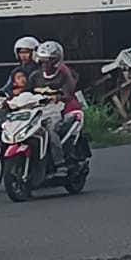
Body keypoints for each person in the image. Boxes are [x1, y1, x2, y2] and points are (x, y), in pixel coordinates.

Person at [28, 40, 82, 170]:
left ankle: (59, 162)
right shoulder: (35, 76)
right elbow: (26, 92)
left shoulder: (63, 75)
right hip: (35, 110)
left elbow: (68, 93)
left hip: (55, 110)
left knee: (51, 132)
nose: (45, 65)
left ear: (56, 61)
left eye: (49, 61)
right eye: (42, 61)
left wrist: (57, 97)